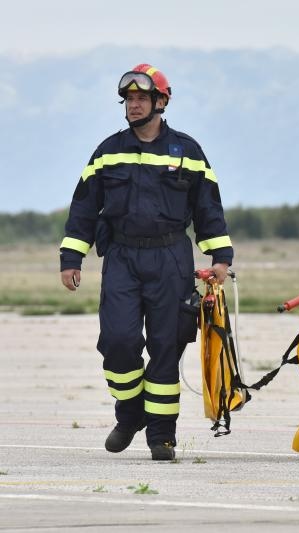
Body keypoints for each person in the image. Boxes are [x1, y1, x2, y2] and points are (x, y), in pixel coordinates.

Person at [59, 64, 234, 461]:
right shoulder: (108, 151)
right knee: (118, 342)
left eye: (142, 98)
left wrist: (219, 257)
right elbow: (84, 207)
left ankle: (161, 435)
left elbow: (209, 208)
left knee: (165, 347)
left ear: (161, 102)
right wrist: (72, 257)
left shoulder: (188, 152)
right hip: (121, 256)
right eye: (129, 99)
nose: (133, 105)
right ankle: (130, 412)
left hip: (171, 257)